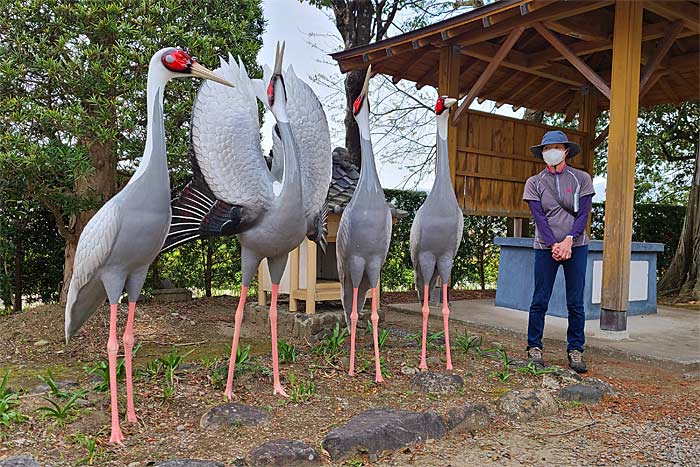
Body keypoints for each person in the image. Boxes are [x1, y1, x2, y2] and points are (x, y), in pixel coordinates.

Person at [522, 130, 595, 373]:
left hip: (577, 245)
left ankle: (576, 349)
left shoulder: (581, 178)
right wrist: (554, 244)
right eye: (546, 148)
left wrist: (568, 241)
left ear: (565, 150)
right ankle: (534, 347)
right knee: (539, 299)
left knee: (575, 301)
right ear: (542, 153)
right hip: (545, 247)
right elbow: (539, 218)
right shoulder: (534, 183)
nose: (551, 152)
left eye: (556, 147)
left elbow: (583, 214)